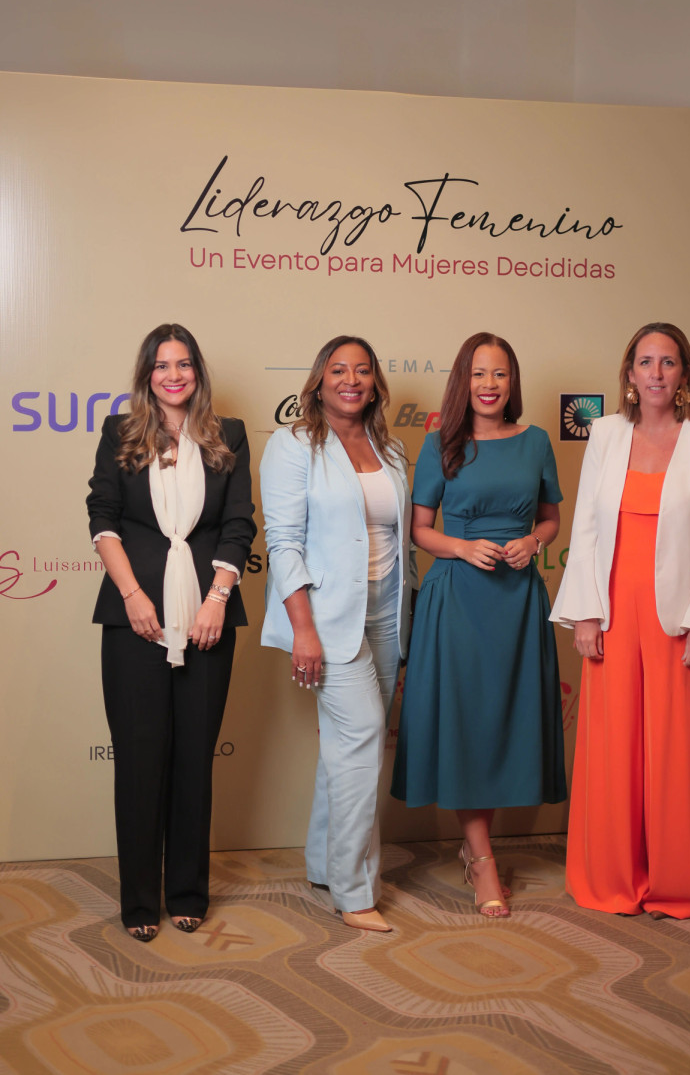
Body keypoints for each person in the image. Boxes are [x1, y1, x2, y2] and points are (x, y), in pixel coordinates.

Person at [551, 322, 690, 919]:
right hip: (613, 613)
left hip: (682, 618)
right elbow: (586, 529)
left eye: (669, 362)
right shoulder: (606, 433)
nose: (657, 373)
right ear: (630, 374)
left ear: (684, 375)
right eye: (646, 361)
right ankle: (614, 877)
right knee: (614, 749)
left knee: (678, 752)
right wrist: (586, 613)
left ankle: (681, 884)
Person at [87, 324, 256, 942]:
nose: (174, 375)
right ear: (147, 375)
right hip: (133, 621)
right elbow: (102, 516)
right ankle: (139, 902)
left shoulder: (228, 436)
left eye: (184, 364)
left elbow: (239, 525)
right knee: (138, 761)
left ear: (198, 373)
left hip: (208, 620)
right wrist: (132, 595)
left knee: (192, 761)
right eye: (162, 365)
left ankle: (186, 891)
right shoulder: (119, 433)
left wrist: (216, 599)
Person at [391, 332, 567, 918]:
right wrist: (463, 549)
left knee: (504, 720)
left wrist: (531, 542)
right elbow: (419, 530)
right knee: (466, 721)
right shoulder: (441, 442)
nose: (490, 385)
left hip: (516, 599)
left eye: (500, 374)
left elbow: (550, 521)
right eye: (479, 374)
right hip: (457, 598)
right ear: (462, 382)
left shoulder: (537, 441)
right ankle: (482, 857)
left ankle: (479, 852)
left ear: (512, 382)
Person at [261, 336, 414, 933]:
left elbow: (399, 542)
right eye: (338, 370)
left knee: (344, 752)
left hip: (384, 616)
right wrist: (304, 630)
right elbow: (283, 543)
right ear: (319, 381)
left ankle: (325, 861)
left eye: (363, 370)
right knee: (364, 737)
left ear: (374, 382)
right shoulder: (294, 444)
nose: (351, 379)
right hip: (326, 619)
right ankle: (355, 892)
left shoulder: (391, 448)